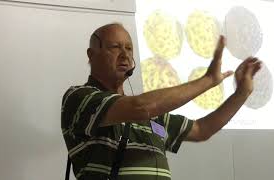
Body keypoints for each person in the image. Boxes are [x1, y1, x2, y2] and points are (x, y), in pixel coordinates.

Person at [61, 23, 261, 180]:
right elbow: (140, 107)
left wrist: (241, 93)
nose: (125, 55)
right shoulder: (79, 97)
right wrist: (208, 80)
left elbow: (202, 129)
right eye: (115, 47)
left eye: (129, 48)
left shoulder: (152, 114)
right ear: (91, 54)